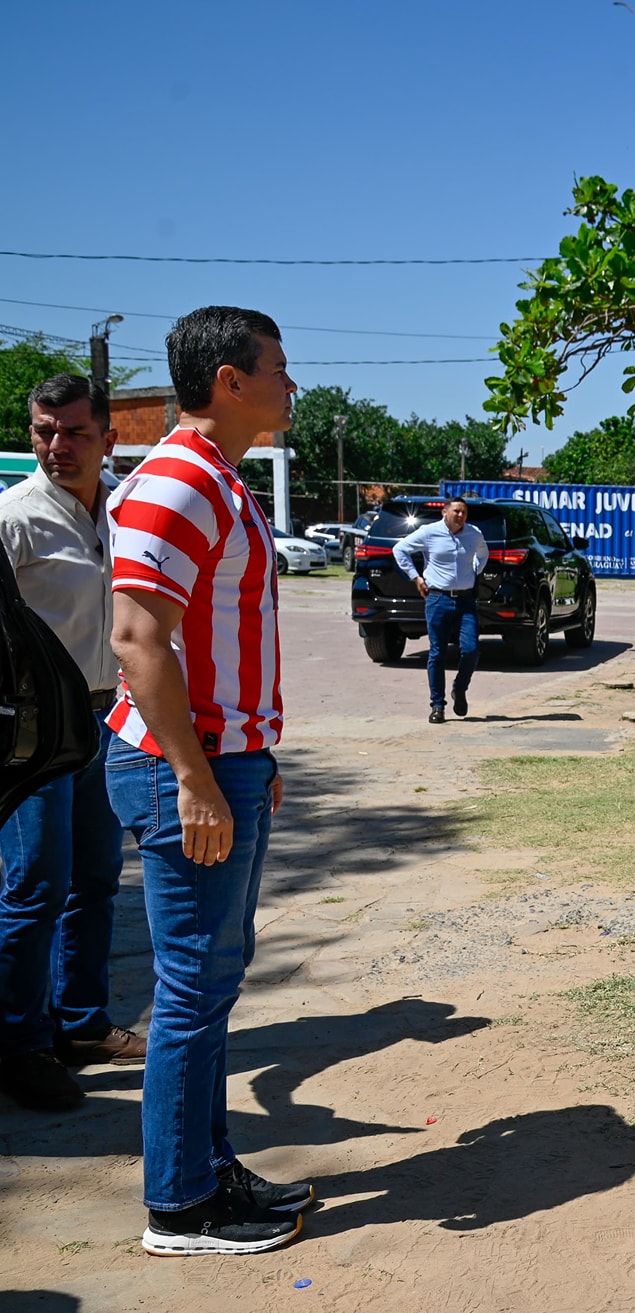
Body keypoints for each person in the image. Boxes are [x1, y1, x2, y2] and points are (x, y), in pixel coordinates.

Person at [106, 306, 312, 1256]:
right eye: (277, 367)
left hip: (223, 759)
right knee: (192, 986)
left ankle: (206, 1166)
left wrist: (250, 756)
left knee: (214, 981)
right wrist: (195, 777)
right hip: (181, 766)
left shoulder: (219, 478)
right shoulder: (180, 480)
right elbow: (137, 641)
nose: (290, 383)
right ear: (230, 380)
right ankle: (182, 1205)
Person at [0, 376, 144, 1112]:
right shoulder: (14, 518)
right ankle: (19, 1045)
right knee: (35, 886)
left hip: (105, 720)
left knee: (95, 879)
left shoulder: (123, 508)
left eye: (75, 432)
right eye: (44, 430)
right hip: (34, 733)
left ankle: (80, 1023)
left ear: (107, 439)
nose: (57, 445)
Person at [392, 496, 489, 723]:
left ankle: (460, 688)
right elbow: (400, 550)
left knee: (471, 649)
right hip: (438, 599)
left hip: (465, 600)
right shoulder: (429, 532)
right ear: (445, 512)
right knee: (437, 652)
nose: (460, 516)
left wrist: (475, 570)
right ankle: (437, 705)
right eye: (456, 511)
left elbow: (483, 553)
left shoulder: (474, 533)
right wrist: (416, 577)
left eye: (464, 512)